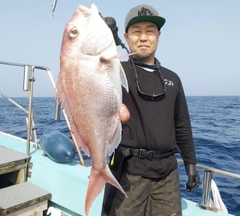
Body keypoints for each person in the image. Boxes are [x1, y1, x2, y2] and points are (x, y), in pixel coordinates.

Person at [102, 4, 200, 216]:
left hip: (167, 174)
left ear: (159, 35)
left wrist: (190, 165)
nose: (143, 37)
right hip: (128, 172)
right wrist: (101, 39)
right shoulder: (115, 71)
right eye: (137, 32)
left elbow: (182, 125)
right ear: (126, 37)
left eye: (150, 31)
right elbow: (90, 69)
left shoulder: (173, 79)